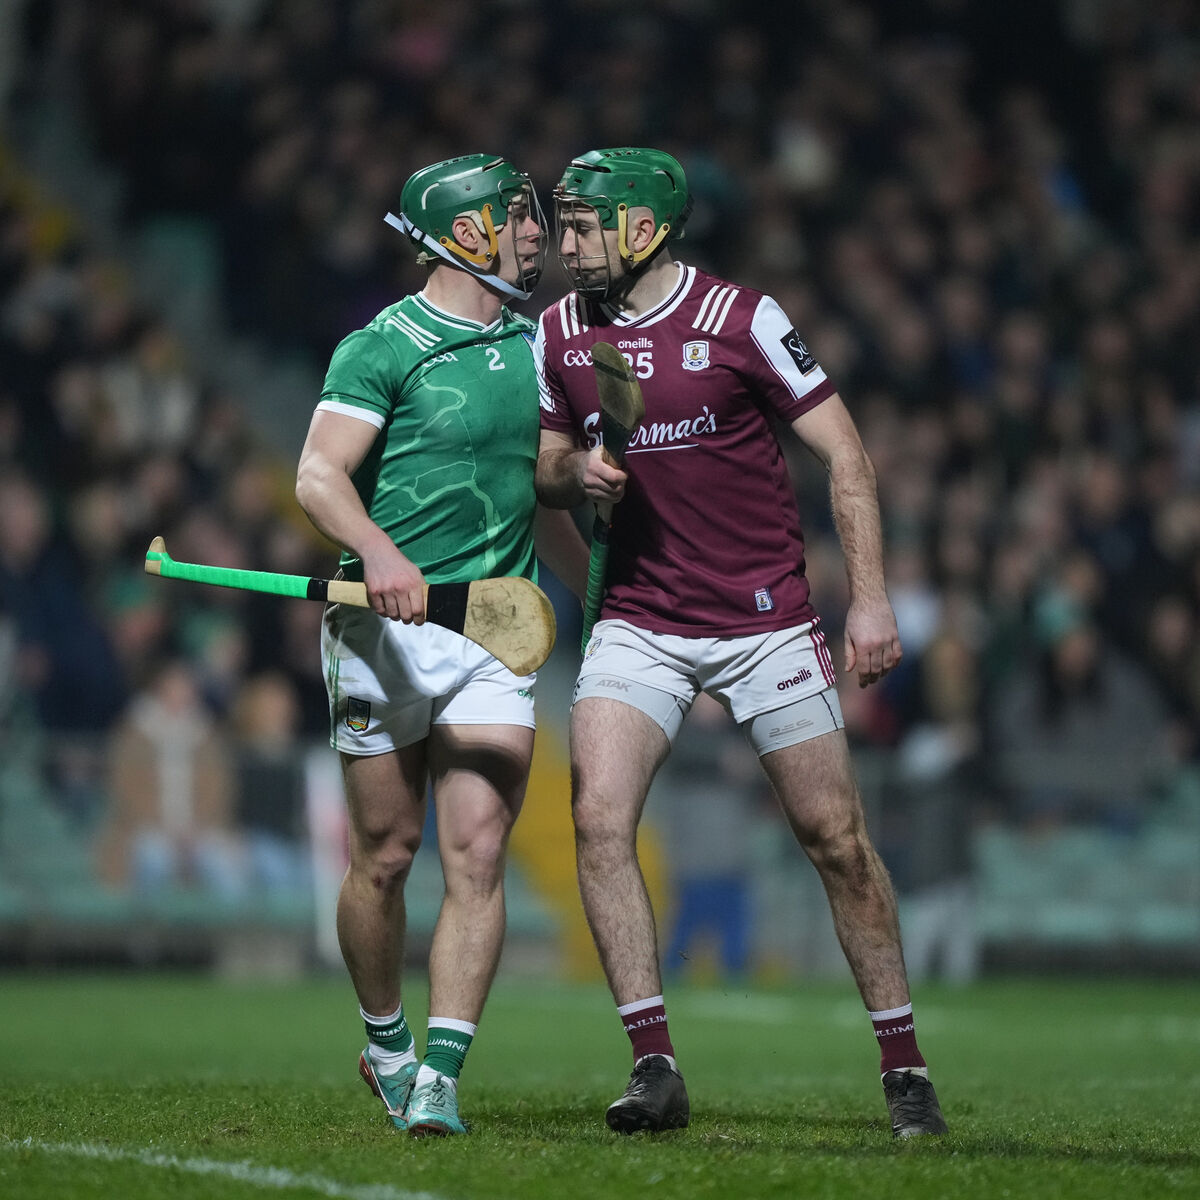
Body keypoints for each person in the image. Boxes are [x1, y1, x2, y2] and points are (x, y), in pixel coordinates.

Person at [534, 147, 948, 1138]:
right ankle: (653, 1065)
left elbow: (845, 454)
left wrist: (871, 603)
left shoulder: (742, 319)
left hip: (766, 622)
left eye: (583, 225)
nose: (563, 243)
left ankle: (904, 1067)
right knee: (599, 820)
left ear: (643, 228)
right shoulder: (556, 331)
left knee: (836, 843)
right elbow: (545, 459)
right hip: (640, 618)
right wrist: (573, 478)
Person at [295, 154, 586, 1138]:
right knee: (387, 854)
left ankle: (441, 1077)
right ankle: (386, 1045)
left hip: (494, 631)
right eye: (520, 217)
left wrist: (595, 558)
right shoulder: (382, 346)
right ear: (468, 233)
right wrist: (376, 551)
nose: (540, 231)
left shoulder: (540, 346)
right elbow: (318, 476)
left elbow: (533, 488)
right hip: (380, 634)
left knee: (477, 849)